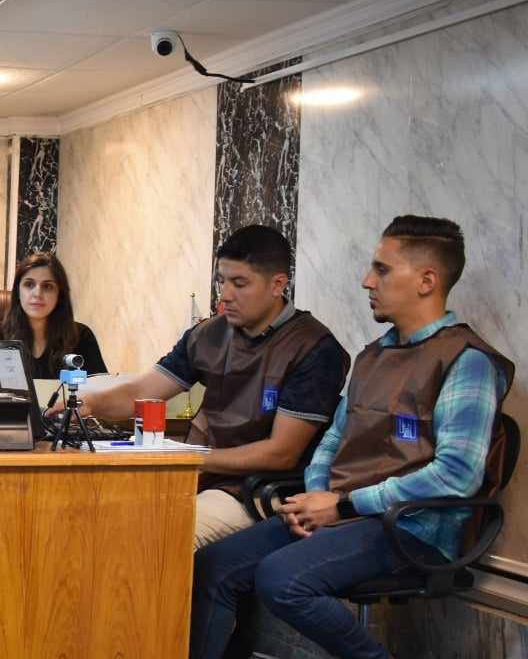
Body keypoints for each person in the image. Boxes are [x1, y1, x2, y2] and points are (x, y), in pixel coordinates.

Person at [182, 216, 513, 659]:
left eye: (382, 269)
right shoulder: (373, 356)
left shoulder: (468, 363)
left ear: (427, 281)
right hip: (346, 515)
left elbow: (456, 475)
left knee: (280, 577)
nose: (366, 280)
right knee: (216, 565)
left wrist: (340, 504)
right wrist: (315, 500)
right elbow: (333, 444)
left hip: (413, 528)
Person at [66, 225, 349, 548]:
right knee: (93, 515)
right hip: (198, 475)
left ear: (278, 285)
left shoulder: (313, 347)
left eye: (239, 283)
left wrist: (189, 457)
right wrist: (89, 404)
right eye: (221, 281)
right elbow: (140, 392)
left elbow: (280, 453)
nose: (225, 295)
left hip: (254, 489)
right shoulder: (208, 334)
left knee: (157, 536)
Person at [0, 252, 105, 379]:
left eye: (47, 286)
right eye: (29, 284)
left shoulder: (81, 337)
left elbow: (102, 387)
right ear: (18, 292)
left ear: (60, 295)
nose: (37, 293)